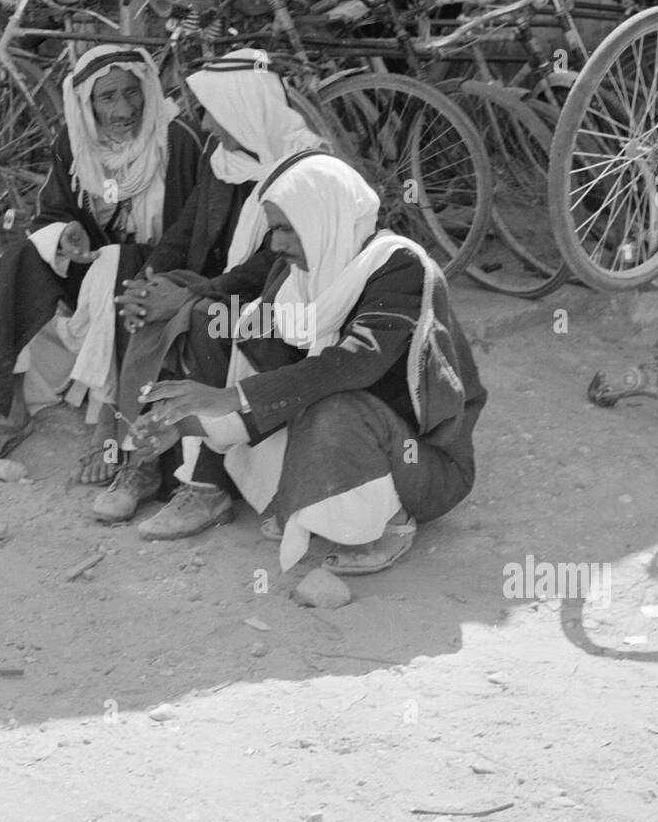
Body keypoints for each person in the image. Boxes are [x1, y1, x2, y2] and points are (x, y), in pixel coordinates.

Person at [128, 155, 488, 572]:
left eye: (285, 229)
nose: (276, 245)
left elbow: (353, 365)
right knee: (248, 338)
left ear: (324, 216)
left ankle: (393, 519)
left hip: (429, 465)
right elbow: (281, 379)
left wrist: (229, 396)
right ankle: (311, 500)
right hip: (363, 438)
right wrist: (184, 424)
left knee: (334, 403)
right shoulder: (299, 278)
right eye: (273, 230)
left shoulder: (400, 266)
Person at [94, 51, 328, 521]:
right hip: (219, 288)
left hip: (286, 309)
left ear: (245, 107)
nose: (207, 124)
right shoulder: (223, 157)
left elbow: (278, 263)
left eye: (214, 112)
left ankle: (207, 487)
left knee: (202, 319)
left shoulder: (306, 167)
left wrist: (195, 294)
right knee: (138, 302)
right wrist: (153, 278)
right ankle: (142, 461)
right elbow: (184, 228)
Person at [0, 45, 203, 479]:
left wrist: (144, 262)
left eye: (131, 93)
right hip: (97, 265)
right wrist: (64, 232)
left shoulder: (176, 140)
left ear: (147, 89)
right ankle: (10, 411)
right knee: (22, 259)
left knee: (117, 261)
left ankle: (108, 423)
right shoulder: (75, 142)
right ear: (86, 104)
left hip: (158, 271)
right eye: (107, 98)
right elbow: (51, 214)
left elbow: (195, 232)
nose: (123, 109)